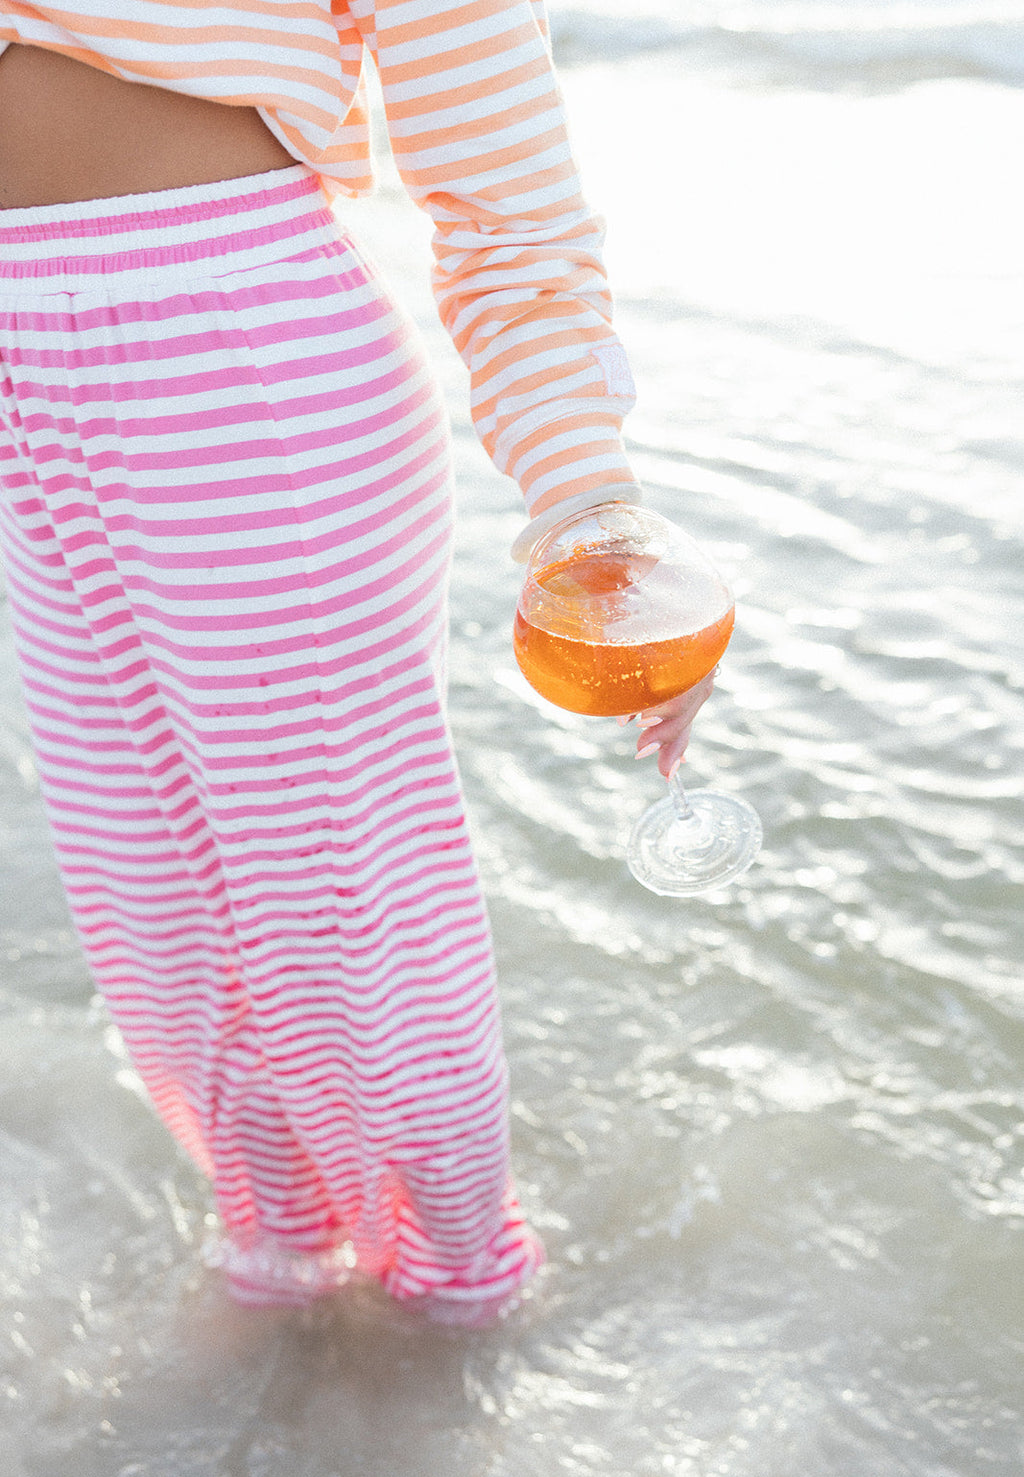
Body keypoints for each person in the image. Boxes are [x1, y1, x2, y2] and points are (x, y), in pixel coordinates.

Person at [0, 3, 712, 1321]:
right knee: (159, 922)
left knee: (348, 931)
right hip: (22, 379)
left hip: (225, 354)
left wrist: (592, 514)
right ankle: (278, 1281)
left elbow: (504, 201)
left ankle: (460, 1308)